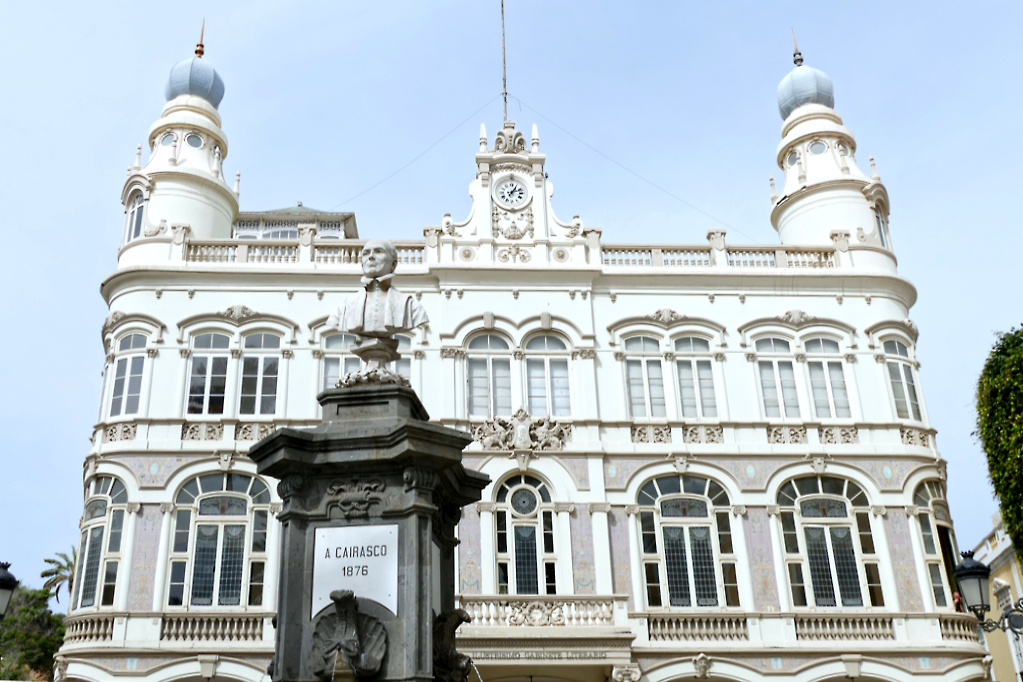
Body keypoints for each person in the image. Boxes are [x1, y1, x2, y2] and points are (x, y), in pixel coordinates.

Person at [326, 240, 428, 337]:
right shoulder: (344, 308)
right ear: (362, 264)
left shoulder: (412, 307)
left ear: (393, 264)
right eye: (366, 253)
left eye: (378, 251)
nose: (370, 257)